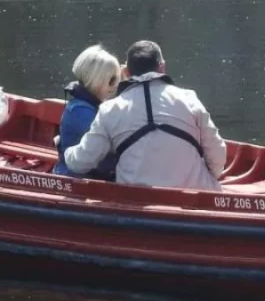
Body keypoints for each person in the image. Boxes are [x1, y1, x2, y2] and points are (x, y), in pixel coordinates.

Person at [64, 40, 226, 190]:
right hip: (194, 195)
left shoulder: (109, 110)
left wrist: (66, 153)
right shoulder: (190, 99)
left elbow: (81, 163)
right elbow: (217, 154)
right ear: (162, 67)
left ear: (126, 72)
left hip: (136, 200)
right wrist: (212, 175)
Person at [54, 45, 121, 179]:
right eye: (112, 80)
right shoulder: (80, 111)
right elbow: (105, 142)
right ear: (97, 80)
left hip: (94, 174)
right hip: (75, 178)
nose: (114, 86)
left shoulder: (88, 103)